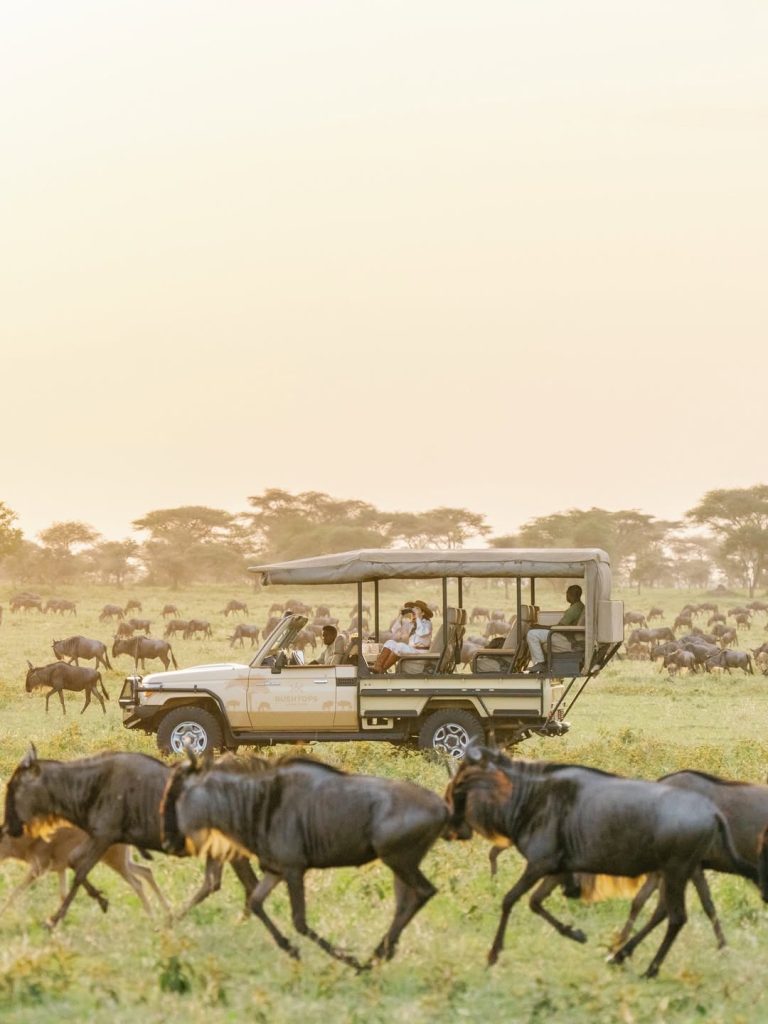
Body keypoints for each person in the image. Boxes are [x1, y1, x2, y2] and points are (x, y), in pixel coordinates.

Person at [526, 585, 585, 673]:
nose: (567, 595)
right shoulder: (579, 606)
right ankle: (541, 663)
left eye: (567, 593)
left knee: (532, 634)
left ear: (571, 594)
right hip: (567, 635)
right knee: (537, 635)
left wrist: (539, 626)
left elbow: (559, 627)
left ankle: (540, 663)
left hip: (567, 638)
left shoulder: (574, 609)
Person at [372, 600, 433, 673]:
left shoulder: (427, 624)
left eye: (417, 609)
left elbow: (421, 632)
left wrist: (417, 617)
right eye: (413, 609)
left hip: (421, 651)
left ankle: (383, 669)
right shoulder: (412, 624)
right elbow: (394, 630)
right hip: (412, 650)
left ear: (423, 613)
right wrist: (400, 616)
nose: (414, 611)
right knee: (389, 642)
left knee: (400, 647)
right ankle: (377, 667)